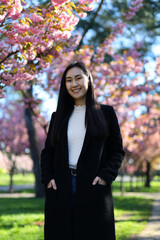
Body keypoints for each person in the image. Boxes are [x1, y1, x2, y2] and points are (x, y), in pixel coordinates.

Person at [41, 61, 125, 240]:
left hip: (93, 185)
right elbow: (47, 152)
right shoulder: (58, 117)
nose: (74, 84)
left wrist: (105, 176)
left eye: (78, 78)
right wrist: (48, 178)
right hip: (61, 186)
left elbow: (117, 151)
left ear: (88, 80)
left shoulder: (106, 113)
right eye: (69, 80)